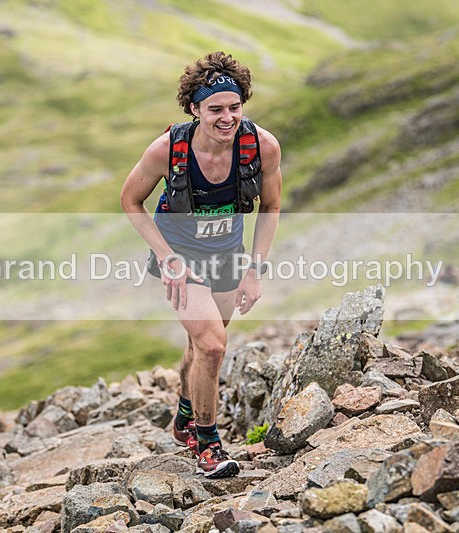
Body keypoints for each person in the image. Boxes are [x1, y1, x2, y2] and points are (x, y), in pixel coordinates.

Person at [120, 51, 282, 478]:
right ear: (194, 109)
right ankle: (207, 445)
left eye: (234, 107)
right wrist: (166, 256)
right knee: (212, 345)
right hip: (181, 258)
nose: (226, 118)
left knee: (200, 347)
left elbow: (272, 206)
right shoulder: (168, 149)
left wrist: (255, 270)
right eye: (215, 109)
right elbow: (130, 200)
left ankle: (186, 411)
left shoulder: (261, 146)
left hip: (228, 255)